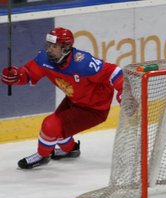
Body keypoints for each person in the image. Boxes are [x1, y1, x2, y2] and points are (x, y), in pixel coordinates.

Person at [1, 27, 123, 169]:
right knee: (58, 131)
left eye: (54, 46)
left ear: (66, 48)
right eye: (48, 45)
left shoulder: (83, 64)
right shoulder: (44, 59)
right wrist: (16, 76)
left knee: (51, 125)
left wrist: (123, 92)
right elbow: (28, 74)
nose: (49, 50)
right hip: (75, 99)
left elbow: (115, 72)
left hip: (94, 108)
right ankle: (71, 149)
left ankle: (43, 155)